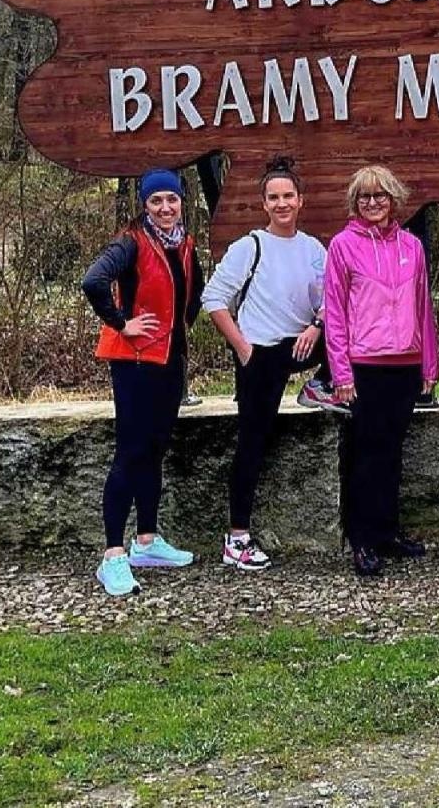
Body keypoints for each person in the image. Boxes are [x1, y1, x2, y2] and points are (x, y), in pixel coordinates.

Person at [201, 156, 334, 572]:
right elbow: (213, 298)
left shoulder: (314, 248)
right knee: (253, 444)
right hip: (259, 354)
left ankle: (320, 386)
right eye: (274, 197)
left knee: (347, 331)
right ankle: (237, 536)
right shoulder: (250, 246)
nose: (282, 204)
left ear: (300, 200)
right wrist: (242, 347)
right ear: (264, 204)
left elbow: (331, 301)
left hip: (300, 346)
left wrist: (317, 326)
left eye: (288, 196)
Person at [81, 169, 206, 596]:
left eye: (172, 200)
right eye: (156, 202)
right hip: (133, 360)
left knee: (154, 448)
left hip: (168, 361)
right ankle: (113, 555)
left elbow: (194, 292)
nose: (165, 208)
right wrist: (123, 324)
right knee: (131, 452)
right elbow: (93, 281)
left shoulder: (184, 243)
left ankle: (147, 541)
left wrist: (178, 332)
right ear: (145, 205)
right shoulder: (130, 242)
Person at [322, 165, 439, 576]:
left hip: (405, 365)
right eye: (365, 197)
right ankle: (363, 540)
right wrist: (341, 372)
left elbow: (423, 306)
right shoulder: (342, 246)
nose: (373, 204)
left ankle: (388, 531)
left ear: (394, 200)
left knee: (392, 453)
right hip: (364, 365)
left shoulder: (412, 246)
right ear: (355, 203)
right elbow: (335, 313)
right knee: (366, 456)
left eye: (380, 196)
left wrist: (430, 362)